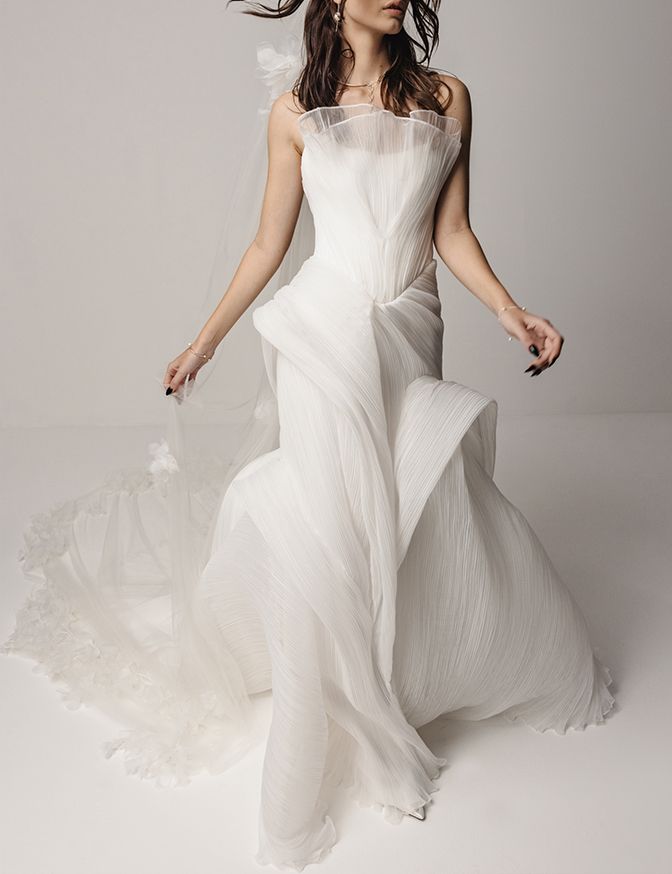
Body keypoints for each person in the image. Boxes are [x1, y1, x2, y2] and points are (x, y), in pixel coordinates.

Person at [2, 1, 616, 870]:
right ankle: (330, 708)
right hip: (325, 332)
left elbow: (450, 232)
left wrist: (514, 314)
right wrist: (205, 339)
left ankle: (396, 674)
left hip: (410, 327)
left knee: (406, 497)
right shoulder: (294, 112)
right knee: (332, 513)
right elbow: (267, 243)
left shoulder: (448, 97)